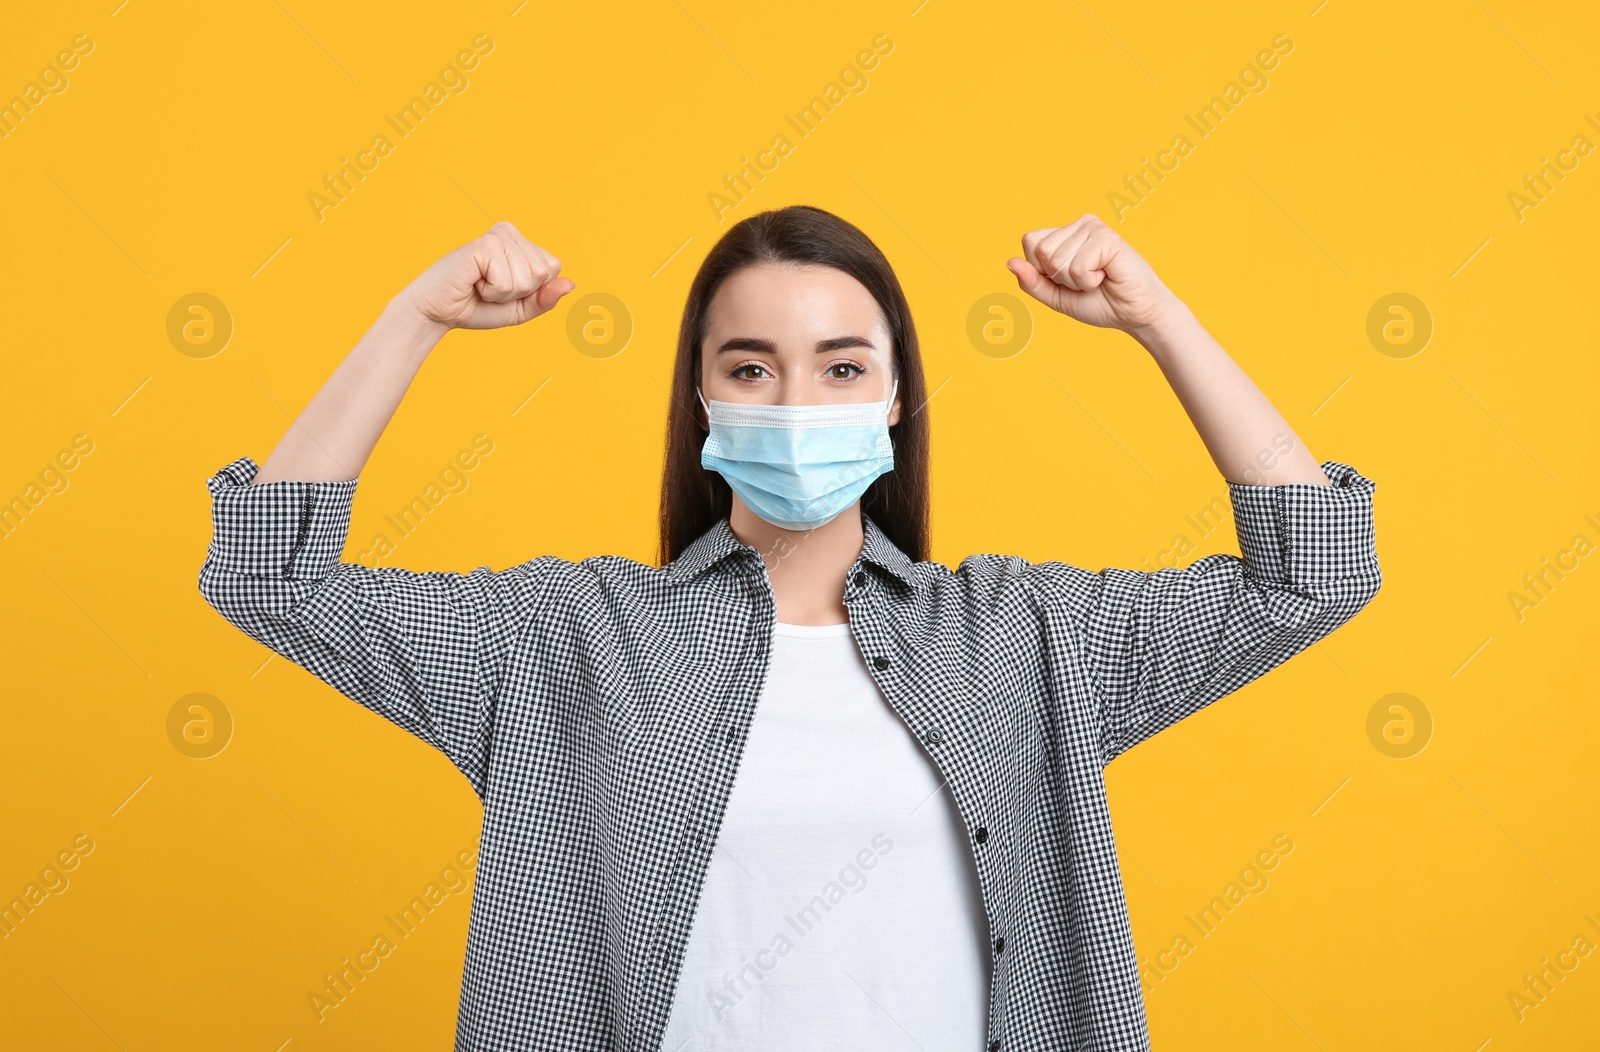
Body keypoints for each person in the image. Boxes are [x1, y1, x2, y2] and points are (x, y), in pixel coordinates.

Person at [198, 206, 1381, 1052]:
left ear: (894, 398)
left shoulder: (1024, 638)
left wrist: (1160, 319)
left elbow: (1316, 571)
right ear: (702, 398)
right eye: (752, 367)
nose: (798, 402)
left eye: (840, 365)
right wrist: (417, 316)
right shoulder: (563, 639)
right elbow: (268, 577)